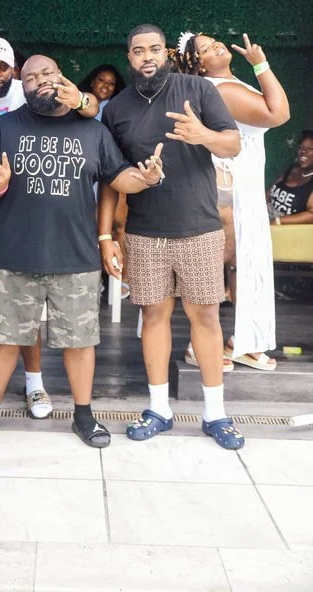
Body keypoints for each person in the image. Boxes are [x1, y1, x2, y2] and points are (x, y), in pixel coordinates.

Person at [0, 54, 165, 449]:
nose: (40, 81)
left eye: (47, 74)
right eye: (31, 77)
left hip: (75, 257)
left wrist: (145, 178)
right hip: (15, 256)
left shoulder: (91, 130)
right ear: (22, 84)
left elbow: (118, 175)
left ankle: (84, 416)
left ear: (61, 77)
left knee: (79, 341)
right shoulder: (5, 127)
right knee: (4, 340)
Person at [99, 24, 245, 451]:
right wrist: (107, 234)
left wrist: (203, 136)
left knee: (206, 318)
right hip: (145, 232)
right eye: (138, 50)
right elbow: (111, 178)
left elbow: (233, 143)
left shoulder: (196, 90)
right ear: (129, 57)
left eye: (155, 49)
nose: (147, 56)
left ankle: (215, 413)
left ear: (166, 53)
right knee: (154, 318)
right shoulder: (117, 109)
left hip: (199, 227)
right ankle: (159, 409)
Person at [0, 36, 100, 419]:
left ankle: (34, 382)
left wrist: (80, 100)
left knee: (28, 310)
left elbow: (90, 106)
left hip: (26, 224)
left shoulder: (31, 86)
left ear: (14, 71)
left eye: (3, 67)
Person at [175, 32, 290, 371]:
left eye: (214, 42)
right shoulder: (221, 89)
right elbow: (278, 113)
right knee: (229, 263)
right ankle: (206, 345)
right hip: (233, 184)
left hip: (241, 180)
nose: (217, 46)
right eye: (207, 49)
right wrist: (261, 64)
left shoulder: (224, 84)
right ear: (199, 66)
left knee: (239, 263)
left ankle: (240, 340)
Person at [79, 63, 129, 296]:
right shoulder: (79, 105)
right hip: (84, 173)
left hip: (110, 172)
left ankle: (121, 279)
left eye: (111, 83)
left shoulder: (118, 108)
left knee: (116, 225)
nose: (106, 86)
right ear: (92, 81)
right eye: (102, 81)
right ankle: (95, 278)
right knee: (88, 226)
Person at [268, 130, 313, 224]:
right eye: (301, 147)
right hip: (265, 216)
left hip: (284, 229)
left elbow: (311, 215)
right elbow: (269, 192)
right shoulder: (292, 170)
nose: (303, 151)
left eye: (310, 148)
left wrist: (277, 221)